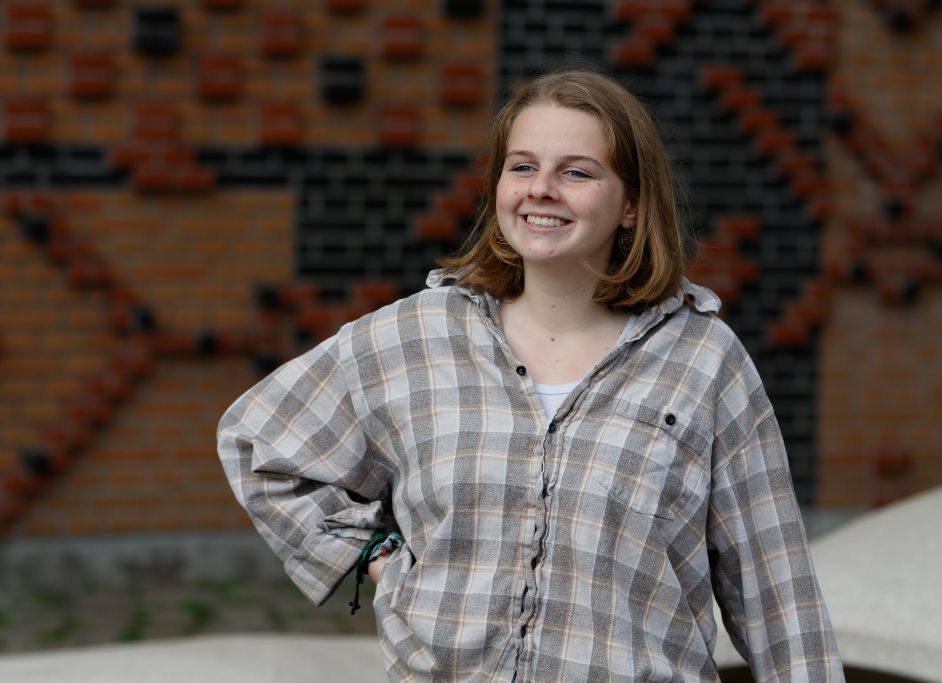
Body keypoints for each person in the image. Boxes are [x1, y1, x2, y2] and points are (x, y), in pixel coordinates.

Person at [217, 69, 844, 681]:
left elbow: (774, 589)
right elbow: (258, 443)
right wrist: (376, 560)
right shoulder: (412, 338)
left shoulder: (704, 361)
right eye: (522, 166)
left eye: (576, 172)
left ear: (630, 204)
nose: (542, 188)